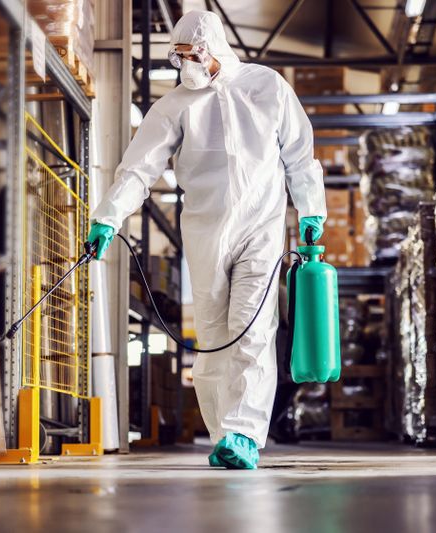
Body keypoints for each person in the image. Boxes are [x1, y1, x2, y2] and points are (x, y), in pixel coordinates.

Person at [87, 10, 326, 470]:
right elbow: (140, 167)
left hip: (261, 226)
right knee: (215, 335)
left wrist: (312, 209)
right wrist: (109, 217)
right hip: (205, 229)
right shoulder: (176, 105)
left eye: (192, 54)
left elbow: (299, 154)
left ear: (213, 48)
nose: (185, 64)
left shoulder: (266, 87)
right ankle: (223, 434)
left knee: (252, 330)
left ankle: (245, 433)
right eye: (178, 57)